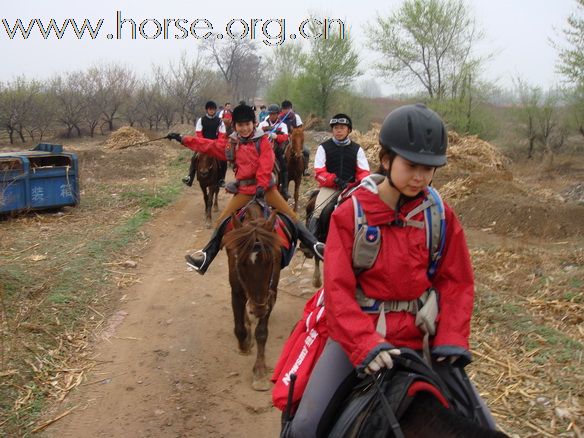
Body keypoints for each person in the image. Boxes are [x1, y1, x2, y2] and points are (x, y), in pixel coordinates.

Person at [284, 104, 496, 437]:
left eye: (429, 169)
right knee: (306, 426)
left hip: (419, 337)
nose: (420, 177)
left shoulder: (440, 216)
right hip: (357, 334)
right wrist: (362, 342)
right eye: (411, 166)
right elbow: (337, 290)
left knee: (484, 425)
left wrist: (451, 337)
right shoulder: (351, 215)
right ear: (386, 160)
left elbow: (456, 281)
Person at [166, 104, 324, 275]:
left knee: (291, 216)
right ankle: (205, 258)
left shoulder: (263, 141)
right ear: (235, 126)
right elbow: (208, 146)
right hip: (244, 191)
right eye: (240, 125)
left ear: (253, 124)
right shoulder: (231, 144)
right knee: (222, 221)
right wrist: (183, 139)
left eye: (247, 124)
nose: (244, 128)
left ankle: (314, 244)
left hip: (266, 190)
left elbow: (266, 163)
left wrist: (262, 186)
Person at [309, 114, 370, 233]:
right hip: (330, 188)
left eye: (342, 127)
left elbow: (364, 172)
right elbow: (319, 172)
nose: (339, 131)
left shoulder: (357, 149)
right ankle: (312, 241)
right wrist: (335, 180)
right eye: (336, 128)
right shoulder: (323, 147)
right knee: (319, 211)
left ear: (349, 130)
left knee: (366, 212)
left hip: (351, 188)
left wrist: (356, 185)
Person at [182, 101, 228, 187]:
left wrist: (216, 144)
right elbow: (198, 132)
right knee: (194, 158)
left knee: (223, 160)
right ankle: (190, 177)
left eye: (213, 109)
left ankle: (221, 179)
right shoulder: (201, 120)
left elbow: (222, 134)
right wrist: (204, 143)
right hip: (203, 145)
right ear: (207, 110)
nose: (212, 111)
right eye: (210, 109)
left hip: (215, 145)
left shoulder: (220, 121)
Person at [259, 104, 291, 200]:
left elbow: (285, 138)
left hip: (276, 148)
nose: (272, 116)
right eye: (271, 114)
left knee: (284, 166)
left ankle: (284, 189)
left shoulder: (282, 125)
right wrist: (265, 135)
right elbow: (256, 136)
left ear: (278, 114)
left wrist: (276, 136)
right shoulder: (262, 124)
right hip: (263, 149)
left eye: (274, 114)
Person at [280, 100, 311, 175]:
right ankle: (280, 170)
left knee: (306, 151)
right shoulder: (280, 118)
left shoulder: (296, 117)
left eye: (287, 109)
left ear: (290, 108)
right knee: (279, 152)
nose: (286, 111)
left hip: (295, 139)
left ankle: (305, 169)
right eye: (284, 109)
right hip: (283, 138)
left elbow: (300, 129)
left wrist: (294, 134)